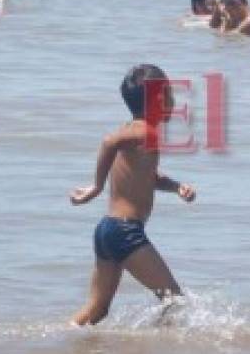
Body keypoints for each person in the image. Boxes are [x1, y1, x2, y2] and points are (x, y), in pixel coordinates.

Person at [69, 64, 195, 325]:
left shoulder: (136, 131)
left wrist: (175, 187)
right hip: (126, 232)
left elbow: (148, 177)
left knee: (97, 310)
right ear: (158, 99)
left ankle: (65, 338)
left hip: (108, 229)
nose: (174, 101)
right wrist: (96, 187)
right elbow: (108, 142)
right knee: (175, 300)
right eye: (170, 94)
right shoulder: (144, 131)